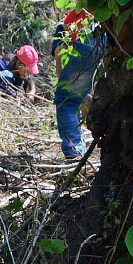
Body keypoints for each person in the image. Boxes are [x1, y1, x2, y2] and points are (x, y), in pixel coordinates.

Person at [50, 10, 104, 160]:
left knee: (67, 101)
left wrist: (67, 85)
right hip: (113, 35)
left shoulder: (63, 26)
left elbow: (59, 51)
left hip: (89, 38)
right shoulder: (92, 9)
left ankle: (74, 151)